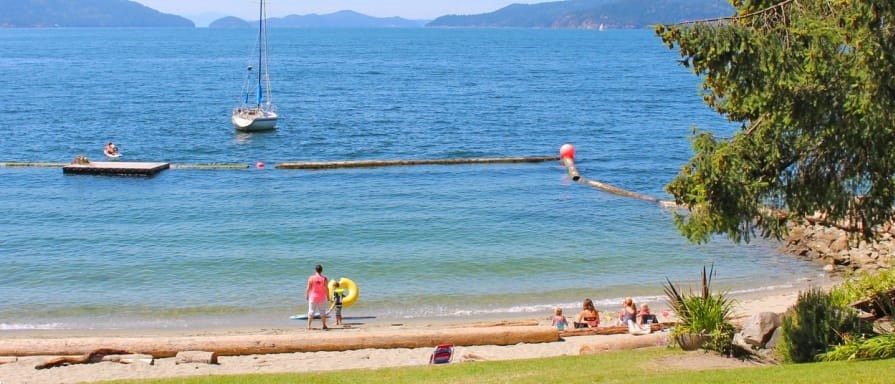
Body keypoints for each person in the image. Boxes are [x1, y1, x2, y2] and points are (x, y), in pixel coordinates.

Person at [305, 264, 329, 330]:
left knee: (311, 311)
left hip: (313, 297)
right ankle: (324, 325)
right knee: (322, 311)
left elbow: (308, 288)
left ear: (315, 270)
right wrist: (328, 296)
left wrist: (307, 295)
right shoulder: (324, 278)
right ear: (322, 270)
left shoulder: (311, 278)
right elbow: (327, 289)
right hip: (322, 297)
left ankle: (309, 326)